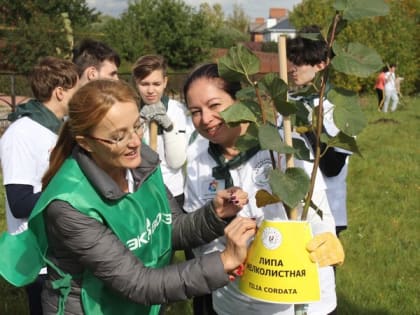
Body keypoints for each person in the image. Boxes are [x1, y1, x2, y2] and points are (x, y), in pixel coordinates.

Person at [0, 79, 257, 315]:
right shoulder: (69, 206)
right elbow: (140, 284)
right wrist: (224, 262)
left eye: (136, 126)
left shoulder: (138, 163)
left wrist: (215, 214)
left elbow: (167, 229)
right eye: (118, 136)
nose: (135, 141)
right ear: (86, 143)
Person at [183, 63, 345, 315]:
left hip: (298, 301)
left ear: (240, 101)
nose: (205, 119)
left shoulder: (284, 147)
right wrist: (229, 249)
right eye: (195, 111)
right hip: (233, 303)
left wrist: (327, 237)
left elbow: (317, 211)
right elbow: (197, 240)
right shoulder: (197, 164)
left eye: (214, 105)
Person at [0, 56, 79, 315]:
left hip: (63, 248)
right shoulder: (21, 133)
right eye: (75, 91)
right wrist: (75, 192)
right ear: (60, 92)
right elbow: (19, 201)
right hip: (39, 260)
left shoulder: (60, 128)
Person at [286, 25, 351, 238]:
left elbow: (333, 166)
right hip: (291, 209)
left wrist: (309, 127)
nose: (292, 68)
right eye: (291, 61)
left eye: (299, 62)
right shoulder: (289, 102)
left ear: (321, 64)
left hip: (327, 211)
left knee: (322, 271)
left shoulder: (340, 106)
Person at [132, 55, 191, 208]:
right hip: (140, 191)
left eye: (156, 83)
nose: (151, 90)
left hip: (171, 191)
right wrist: (139, 124)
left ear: (165, 82)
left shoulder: (177, 110)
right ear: (136, 82)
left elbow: (176, 162)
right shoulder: (131, 110)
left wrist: (168, 126)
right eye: (144, 84)